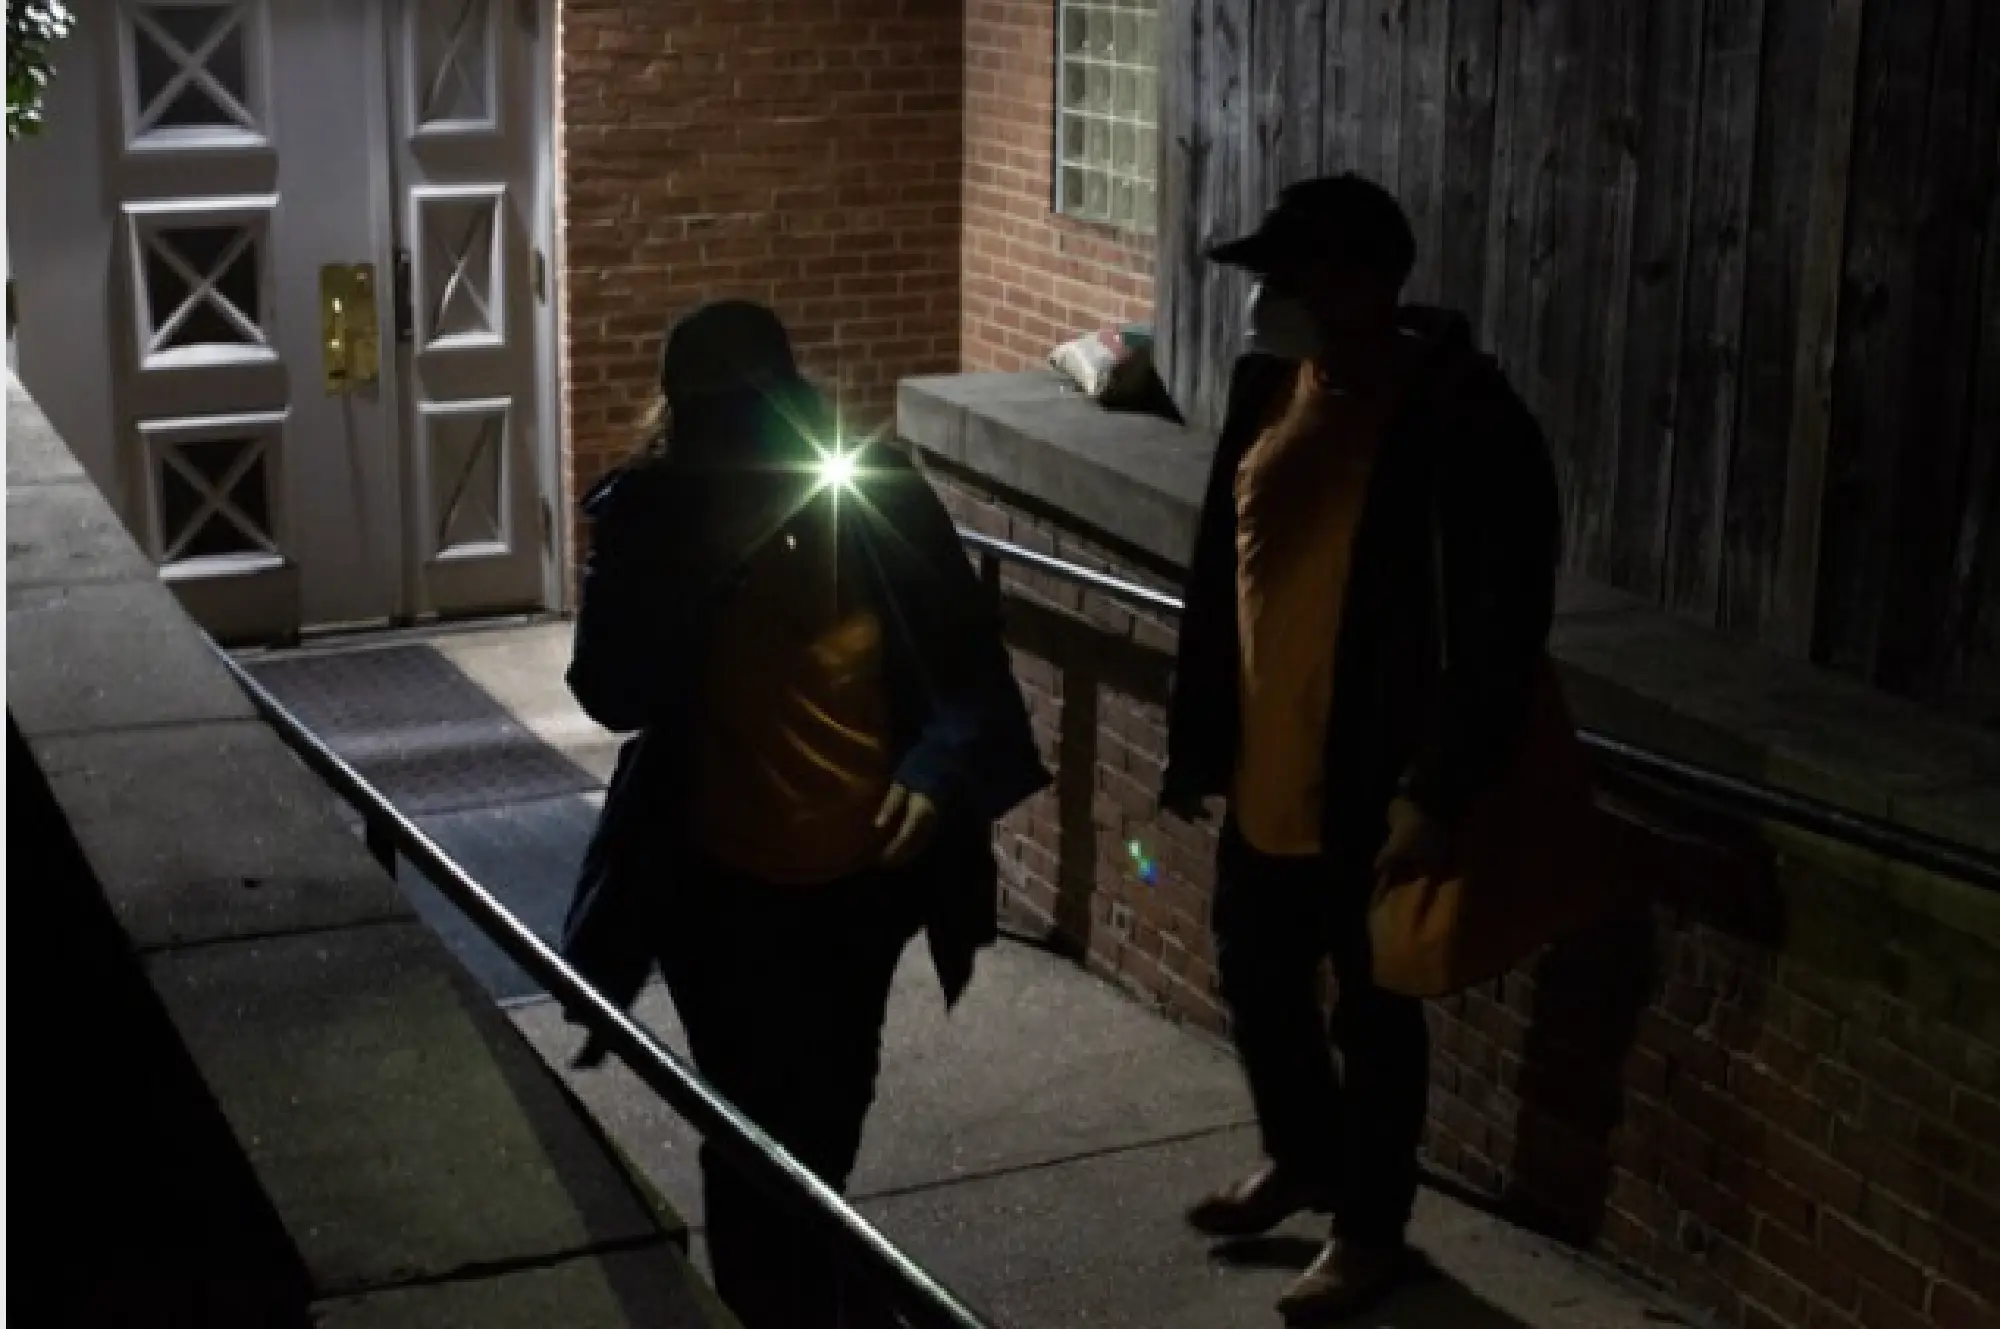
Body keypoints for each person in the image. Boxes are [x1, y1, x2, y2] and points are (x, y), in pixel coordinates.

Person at [558, 299, 1049, 1329]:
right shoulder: (655, 514)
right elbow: (610, 690)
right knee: (747, 1126)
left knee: (825, 1115)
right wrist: (696, 569)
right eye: (714, 420)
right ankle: (780, 1304)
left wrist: (931, 764)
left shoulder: (869, 497)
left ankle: (811, 1286)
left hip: (855, 883)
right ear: (683, 420)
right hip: (717, 885)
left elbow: (964, 669)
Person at [1160, 175, 1560, 1322]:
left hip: (1373, 782)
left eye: (1294, 275)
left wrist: (1435, 788)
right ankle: (1303, 1153)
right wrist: (1206, 734)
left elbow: (1499, 625)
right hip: (1263, 768)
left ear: (1369, 283)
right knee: (1253, 974)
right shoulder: (1263, 388)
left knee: (1373, 1016)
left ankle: (1368, 1229)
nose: (1270, 296)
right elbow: (1219, 570)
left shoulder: (1462, 419)